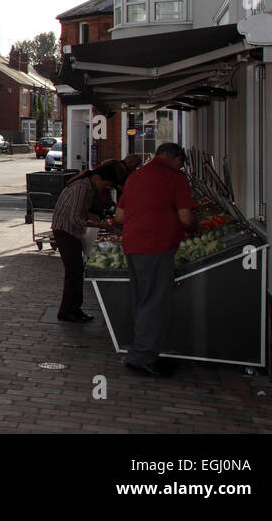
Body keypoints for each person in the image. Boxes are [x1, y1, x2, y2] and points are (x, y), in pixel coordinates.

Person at [115, 143, 196, 377]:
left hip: (133, 244)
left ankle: (141, 351)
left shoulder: (136, 176)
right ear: (174, 158)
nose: (182, 165)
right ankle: (142, 357)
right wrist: (193, 227)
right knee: (155, 302)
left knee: (143, 299)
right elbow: (186, 217)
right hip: (157, 245)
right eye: (182, 161)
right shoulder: (175, 177)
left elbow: (120, 216)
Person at [50, 162, 122, 323]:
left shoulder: (88, 187)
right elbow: (75, 217)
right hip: (65, 230)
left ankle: (74, 308)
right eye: (106, 184)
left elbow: (81, 212)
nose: (105, 188)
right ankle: (67, 310)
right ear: (97, 178)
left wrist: (94, 218)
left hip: (71, 230)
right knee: (74, 271)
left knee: (77, 270)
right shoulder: (81, 187)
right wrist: (99, 225)